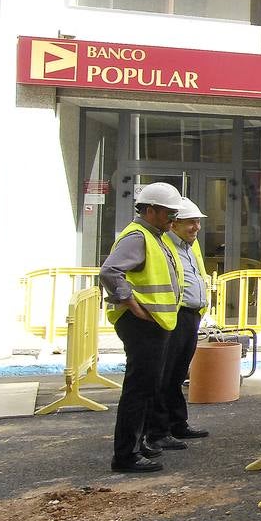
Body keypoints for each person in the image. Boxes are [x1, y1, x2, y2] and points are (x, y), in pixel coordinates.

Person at [98, 181, 185, 473]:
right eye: (168, 213)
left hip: (153, 322)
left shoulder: (154, 235)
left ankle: (138, 444)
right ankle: (126, 454)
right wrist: (132, 305)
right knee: (138, 387)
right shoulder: (138, 236)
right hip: (141, 324)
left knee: (147, 386)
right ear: (150, 210)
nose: (173, 218)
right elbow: (110, 272)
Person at [143, 197, 211, 453]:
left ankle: (176, 423)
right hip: (174, 316)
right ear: (174, 225)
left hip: (190, 315)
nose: (196, 227)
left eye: (197, 222)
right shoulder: (164, 247)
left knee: (177, 373)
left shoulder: (188, 246)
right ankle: (159, 431)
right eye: (190, 222)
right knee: (165, 374)